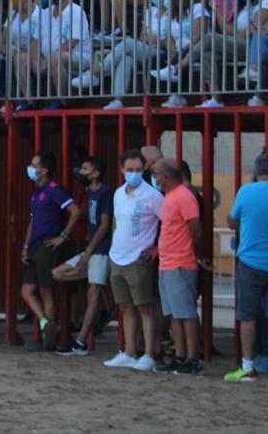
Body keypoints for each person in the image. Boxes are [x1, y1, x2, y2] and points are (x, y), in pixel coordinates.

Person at [103, 149, 165, 371]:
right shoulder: (118, 193)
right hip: (117, 257)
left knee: (145, 307)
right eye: (130, 170)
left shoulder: (153, 195)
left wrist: (158, 248)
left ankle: (148, 354)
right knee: (125, 307)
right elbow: (116, 223)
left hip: (139, 260)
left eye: (138, 170)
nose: (134, 173)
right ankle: (128, 351)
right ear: (121, 170)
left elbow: (169, 222)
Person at [20, 151, 81, 351]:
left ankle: (49, 338)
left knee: (46, 292)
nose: (30, 168)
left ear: (44, 170)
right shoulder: (36, 191)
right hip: (35, 247)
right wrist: (26, 245)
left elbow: (75, 210)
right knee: (27, 291)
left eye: (33, 164)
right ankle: (47, 325)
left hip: (48, 246)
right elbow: (33, 221)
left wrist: (63, 236)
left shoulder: (53, 189)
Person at [53, 156, 113, 356]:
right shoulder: (90, 192)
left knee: (92, 294)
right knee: (58, 273)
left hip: (100, 250)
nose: (82, 171)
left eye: (85, 169)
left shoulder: (105, 192)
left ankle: (80, 342)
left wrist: (88, 252)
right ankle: (104, 304)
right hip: (91, 250)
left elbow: (105, 225)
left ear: (96, 173)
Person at [151, 158, 206, 375]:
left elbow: (196, 228)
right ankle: (181, 355)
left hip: (180, 262)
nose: (154, 177)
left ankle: (193, 358)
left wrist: (190, 250)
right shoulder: (171, 196)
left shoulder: (183, 196)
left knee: (185, 312)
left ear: (166, 176)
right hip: (168, 262)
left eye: (156, 173)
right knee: (175, 313)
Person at [225, 153, 268, 382]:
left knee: (247, 315)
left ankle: (248, 365)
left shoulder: (246, 191)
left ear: (256, 171)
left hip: (251, 262)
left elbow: (232, 220)